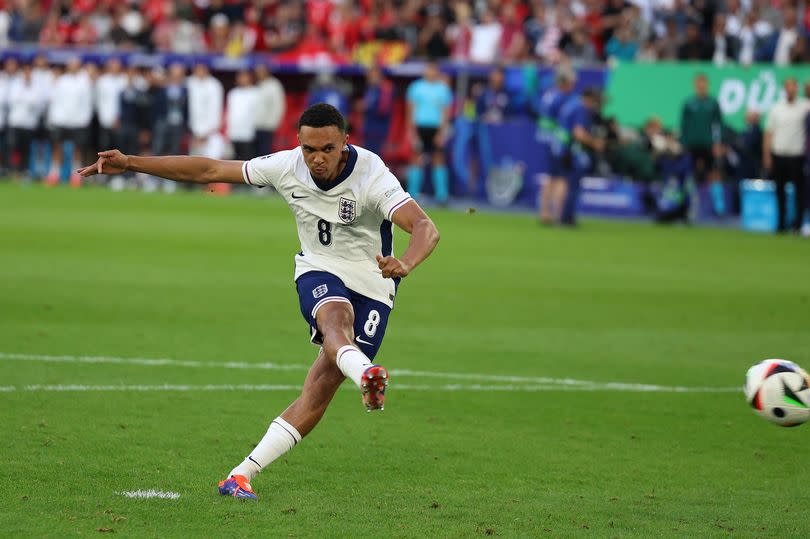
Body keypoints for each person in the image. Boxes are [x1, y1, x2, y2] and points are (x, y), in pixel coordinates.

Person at [76, 103, 440, 500]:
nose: (317, 159)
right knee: (336, 321)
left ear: (345, 143)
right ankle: (367, 373)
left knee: (321, 386)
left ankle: (241, 474)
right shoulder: (286, 166)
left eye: (327, 149)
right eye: (309, 149)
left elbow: (425, 227)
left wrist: (405, 262)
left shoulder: (372, 174)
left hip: (375, 282)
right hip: (319, 268)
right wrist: (131, 163)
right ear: (298, 144)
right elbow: (210, 170)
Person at [763, 77, 810, 232]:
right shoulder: (776, 108)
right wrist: (767, 155)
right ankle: (781, 224)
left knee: (799, 192)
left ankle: (797, 224)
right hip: (779, 154)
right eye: (788, 87)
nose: (790, 90)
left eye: (793, 87)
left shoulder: (804, 106)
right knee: (780, 191)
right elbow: (769, 133)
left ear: (797, 88)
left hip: (797, 155)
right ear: (784, 89)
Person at [405, 61, 453, 205]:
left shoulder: (443, 89)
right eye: (428, 69)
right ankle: (412, 194)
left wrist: (442, 132)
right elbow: (410, 110)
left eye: (433, 69)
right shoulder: (416, 87)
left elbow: (446, 112)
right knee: (416, 158)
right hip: (420, 127)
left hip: (436, 128)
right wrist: (412, 132)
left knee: (438, 158)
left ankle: (441, 195)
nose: (430, 72)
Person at [558, 88, 605, 226]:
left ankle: (564, 216)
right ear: (589, 99)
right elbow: (578, 133)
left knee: (567, 183)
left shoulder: (572, 104)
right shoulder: (580, 108)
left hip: (562, 148)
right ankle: (566, 217)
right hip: (572, 150)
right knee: (573, 185)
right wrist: (594, 143)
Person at [680, 73, 725, 216]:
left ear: (707, 85)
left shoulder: (713, 103)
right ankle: (690, 205)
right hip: (692, 145)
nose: (701, 86)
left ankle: (719, 208)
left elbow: (718, 125)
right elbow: (684, 126)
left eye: (703, 83)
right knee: (690, 174)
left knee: (714, 173)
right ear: (695, 85)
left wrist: (717, 143)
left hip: (708, 145)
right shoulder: (688, 103)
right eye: (699, 83)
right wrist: (683, 143)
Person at [536, 68, 576, 225]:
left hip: (546, 140)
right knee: (562, 179)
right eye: (571, 82)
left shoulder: (548, 96)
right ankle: (559, 214)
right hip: (558, 143)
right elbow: (562, 123)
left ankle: (544, 213)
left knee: (550, 177)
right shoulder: (563, 99)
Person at [6, 63, 39, 179]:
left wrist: (24, 99)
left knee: (26, 150)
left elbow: (35, 102)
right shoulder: (16, 85)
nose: (27, 74)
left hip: (28, 124)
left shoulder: (35, 86)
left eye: (29, 72)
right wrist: (25, 97)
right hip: (15, 122)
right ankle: (14, 171)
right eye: (25, 72)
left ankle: (24, 171)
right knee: (14, 148)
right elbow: (12, 100)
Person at [361, 65, 394, 156]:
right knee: (368, 156)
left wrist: (366, 106)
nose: (368, 78)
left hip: (378, 129)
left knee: (376, 157)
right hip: (369, 128)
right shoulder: (370, 89)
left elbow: (384, 109)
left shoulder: (385, 89)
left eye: (371, 75)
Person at [226, 69, 258, 161]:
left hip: (248, 133)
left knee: (247, 160)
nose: (242, 79)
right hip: (234, 133)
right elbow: (230, 113)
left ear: (250, 78)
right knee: (233, 161)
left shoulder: (255, 92)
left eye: (244, 76)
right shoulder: (233, 93)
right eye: (240, 77)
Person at [253, 63, 285, 155]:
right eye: (257, 71)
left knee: (266, 152)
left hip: (268, 126)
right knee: (257, 153)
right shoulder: (259, 85)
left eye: (261, 71)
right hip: (257, 125)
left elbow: (278, 106)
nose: (259, 73)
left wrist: (273, 123)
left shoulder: (274, 85)